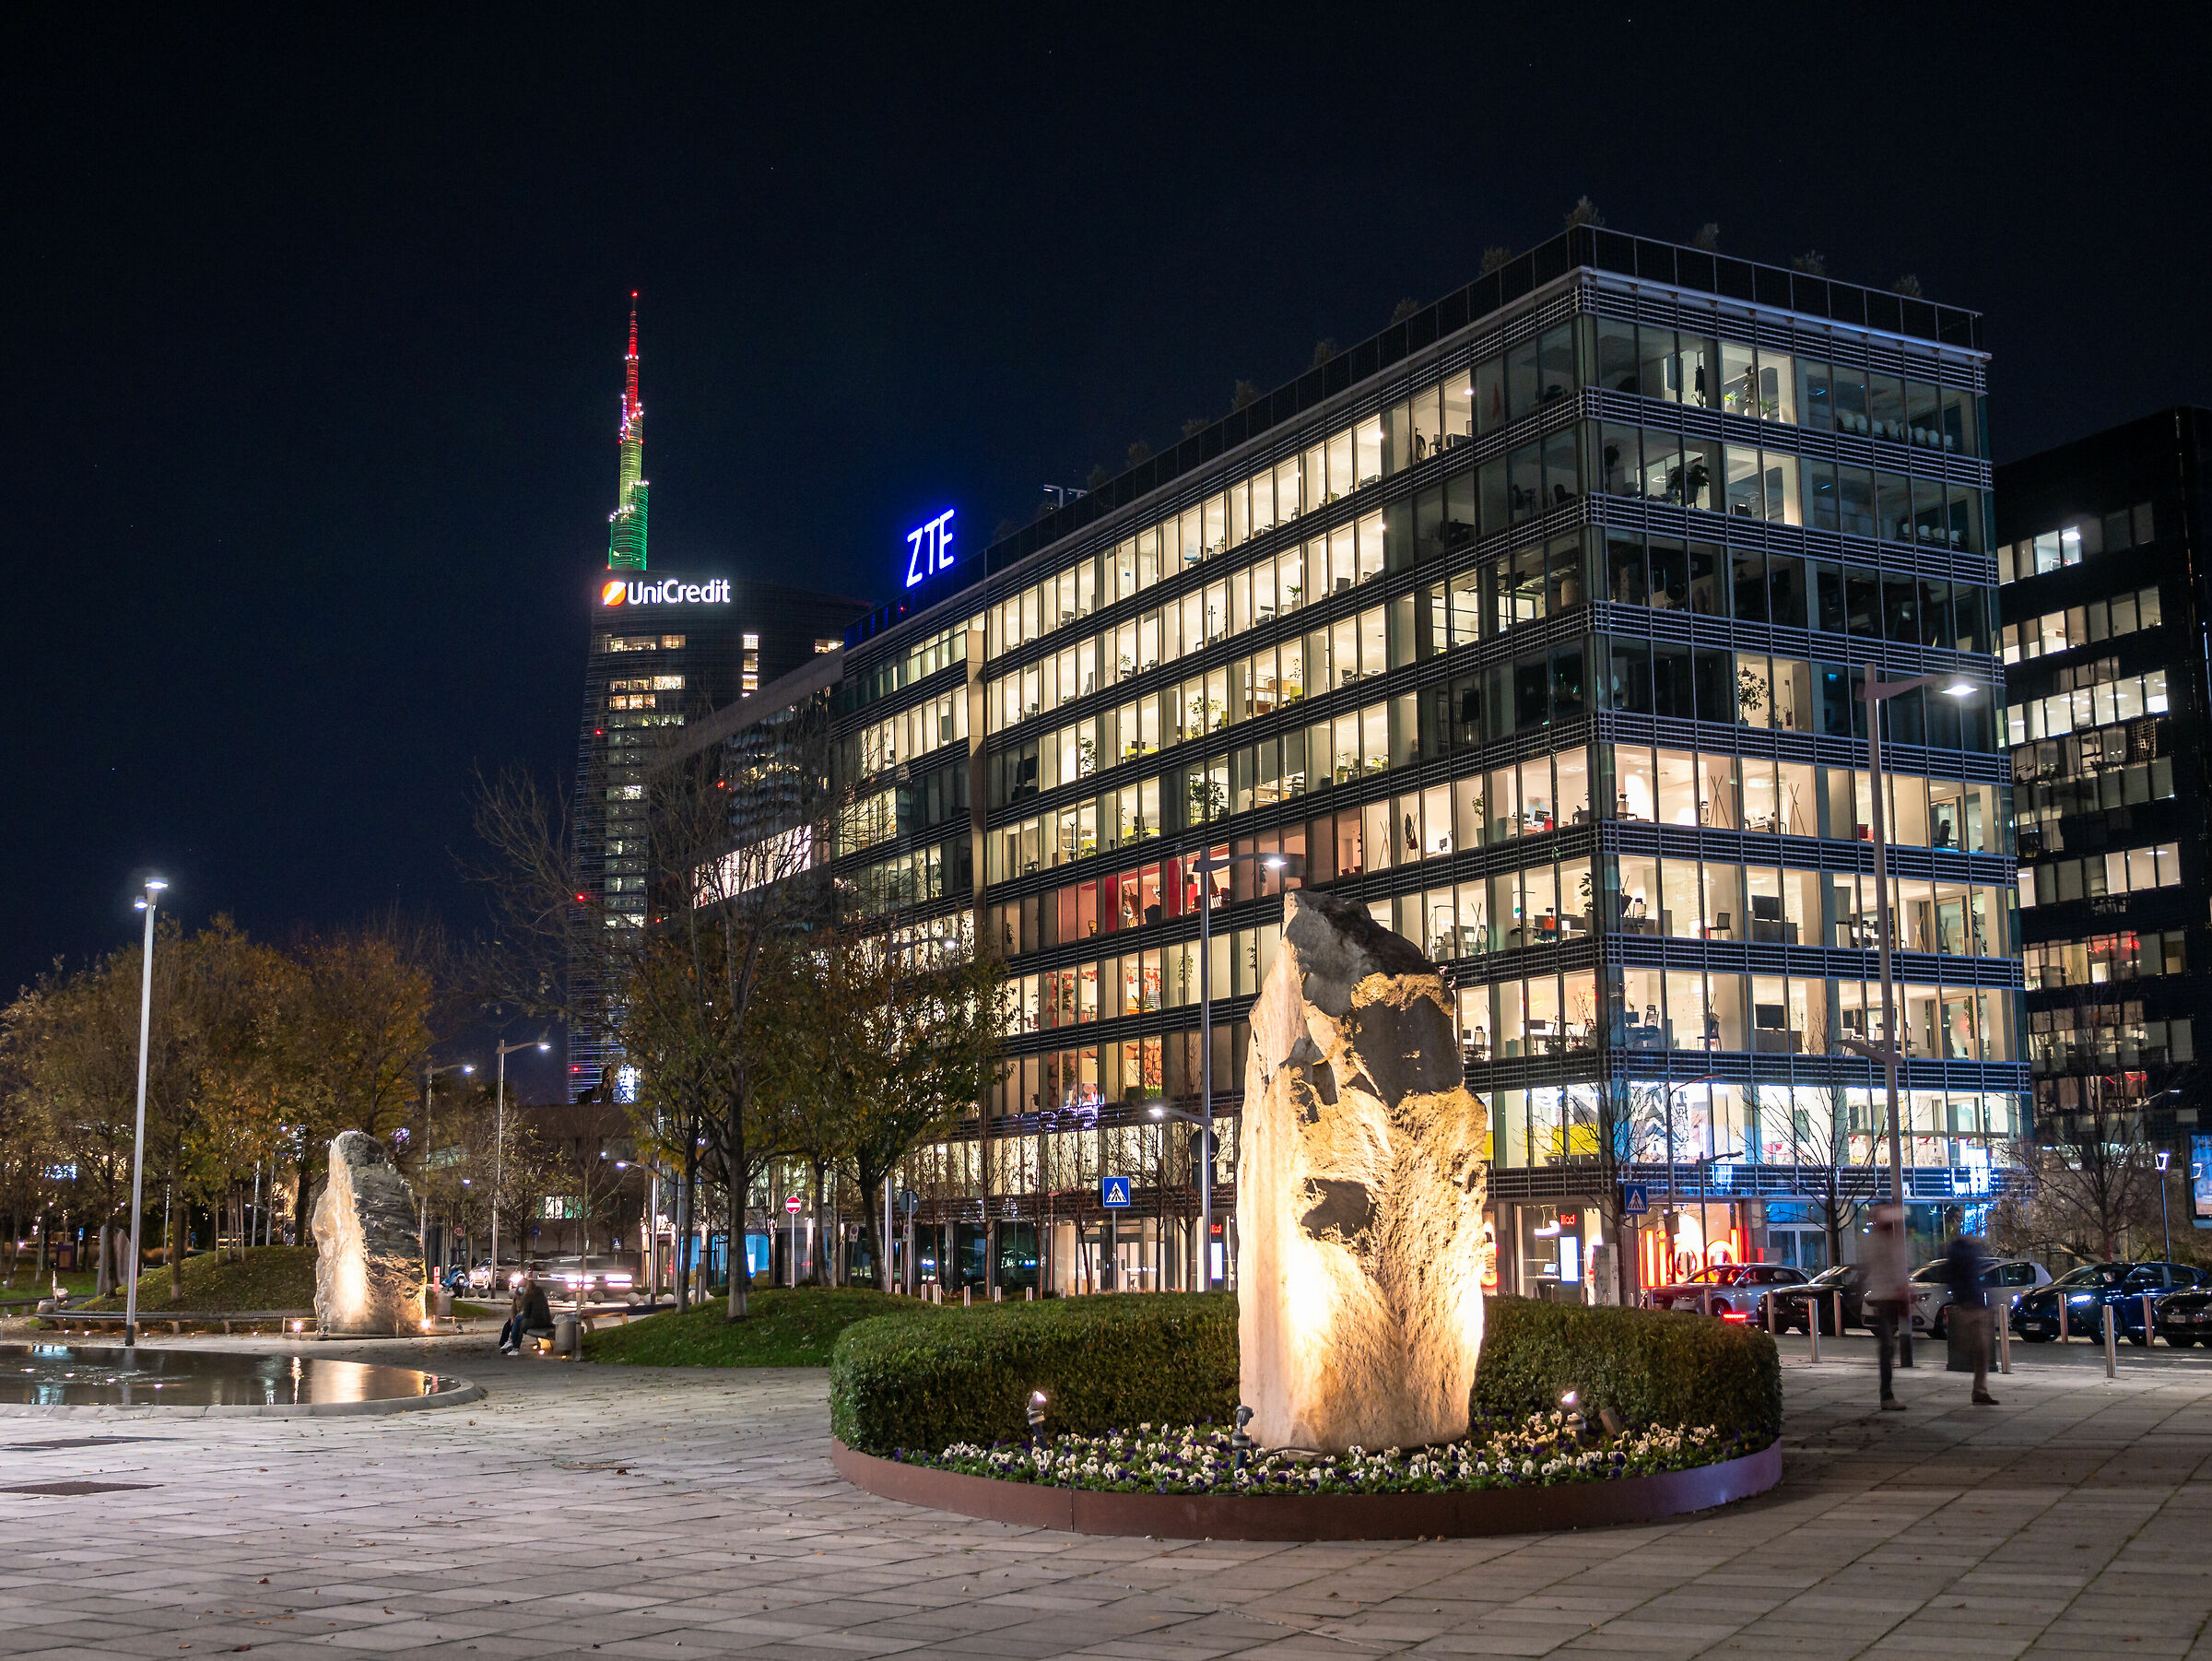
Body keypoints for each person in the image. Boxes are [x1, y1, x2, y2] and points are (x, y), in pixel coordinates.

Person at [1944, 1231, 1998, 1406]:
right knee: (1979, 1348)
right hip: (1971, 1305)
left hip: (1973, 1304)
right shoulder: (1965, 1255)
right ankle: (1980, 1390)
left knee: (1981, 1349)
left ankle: (1980, 1390)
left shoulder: (1963, 1255)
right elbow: (1968, 1280)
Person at [1866, 1204, 1912, 1410]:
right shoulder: (1881, 1242)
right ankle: (1886, 1394)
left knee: (1888, 1345)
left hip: (1888, 1297)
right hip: (1885, 1298)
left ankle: (1887, 1392)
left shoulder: (1885, 1241)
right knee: (1887, 1346)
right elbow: (1891, 1268)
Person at [498, 1268, 552, 1355]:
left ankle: (515, 1347)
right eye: (520, 1286)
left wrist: (517, 1317)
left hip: (534, 1319)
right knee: (509, 1324)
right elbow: (513, 1308)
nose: (521, 1289)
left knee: (520, 1323)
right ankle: (504, 1344)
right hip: (528, 1317)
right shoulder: (518, 1295)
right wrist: (512, 1318)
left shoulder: (530, 1296)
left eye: (523, 1287)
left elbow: (527, 1311)